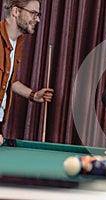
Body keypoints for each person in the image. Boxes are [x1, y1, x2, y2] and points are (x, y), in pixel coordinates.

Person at [0, 0, 54, 144]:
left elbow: (9, 79)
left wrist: (33, 95)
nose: (38, 19)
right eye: (33, 13)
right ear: (16, 11)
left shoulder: (18, 41)